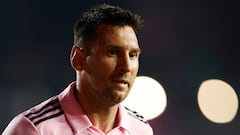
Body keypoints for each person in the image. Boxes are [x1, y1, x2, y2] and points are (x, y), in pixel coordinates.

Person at [2, 4, 153, 135]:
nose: (126, 67)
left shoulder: (141, 129)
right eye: (112, 53)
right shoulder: (34, 129)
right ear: (78, 59)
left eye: (132, 55)